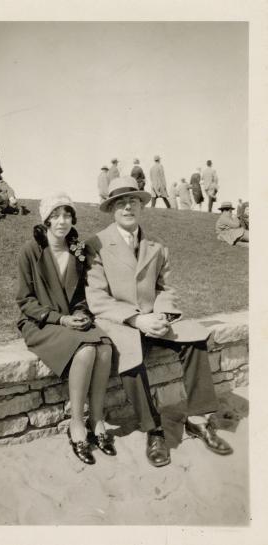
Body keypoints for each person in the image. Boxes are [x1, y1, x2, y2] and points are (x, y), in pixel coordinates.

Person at [86, 177, 232, 468]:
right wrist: (137, 319)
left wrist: (163, 316)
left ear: (142, 206)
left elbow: (166, 288)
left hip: (156, 318)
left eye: (134, 201)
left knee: (195, 339)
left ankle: (197, 418)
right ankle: (153, 430)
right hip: (121, 321)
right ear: (112, 209)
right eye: (121, 202)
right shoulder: (97, 244)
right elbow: (96, 297)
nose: (128, 207)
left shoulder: (157, 246)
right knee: (129, 356)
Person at [16, 192, 115, 465]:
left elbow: (81, 297)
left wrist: (81, 314)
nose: (62, 221)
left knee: (104, 348)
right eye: (56, 215)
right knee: (85, 352)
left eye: (67, 214)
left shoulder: (77, 251)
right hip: (41, 322)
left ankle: (97, 420)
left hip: (71, 319)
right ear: (46, 219)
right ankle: (77, 425)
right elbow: (25, 301)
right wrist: (60, 320)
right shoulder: (31, 250)